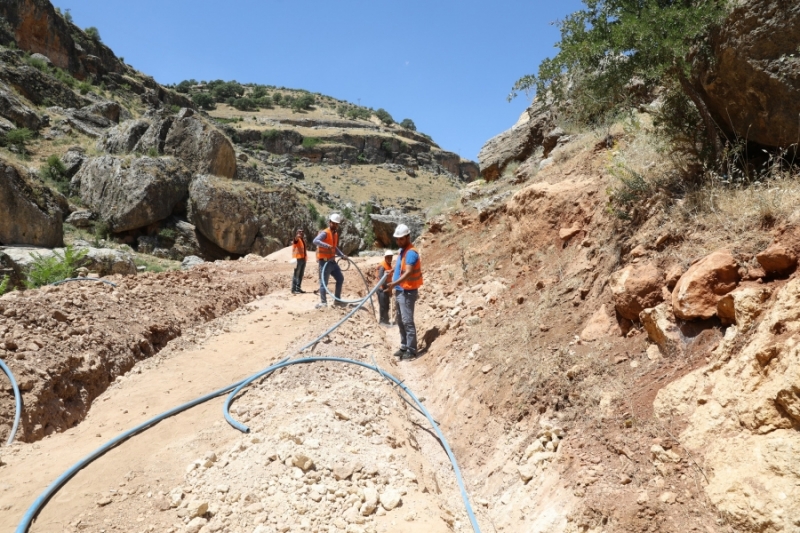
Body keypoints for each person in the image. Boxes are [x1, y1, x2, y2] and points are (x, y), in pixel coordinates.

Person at [385, 224, 422, 359]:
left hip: (407, 291)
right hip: (401, 290)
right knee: (400, 320)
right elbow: (401, 267)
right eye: (397, 239)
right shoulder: (403, 251)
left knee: (407, 321)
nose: (398, 241)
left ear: (408, 237)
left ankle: (411, 350)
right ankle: (404, 346)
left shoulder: (411, 252)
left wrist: (394, 283)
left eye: (401, 239)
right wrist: (392, 271)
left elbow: (409, 272)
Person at [313, 213, 347, 308]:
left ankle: (337, 300)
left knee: (340, 278)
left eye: (337, 224)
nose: (335, 225)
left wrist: (342, 255)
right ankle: (324, 303)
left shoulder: (335, 234)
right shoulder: (325, 233)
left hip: (332, 262)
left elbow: (334, 248)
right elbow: (315, 241)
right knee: (324, 282)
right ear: (330, 222)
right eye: (334, 223)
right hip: (324, 262)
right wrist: (326, 245)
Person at [376, 250, 393, 325]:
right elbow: (381, 278)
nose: (389, 259)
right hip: (381, 289)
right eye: (388, 257)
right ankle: (382, 321)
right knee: (383, 306)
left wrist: (390, 290)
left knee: (387, 305)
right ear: (385, 257)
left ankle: (386, 320)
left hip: (386, 289)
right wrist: (388, 288)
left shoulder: (389, 265)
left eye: (390, 257)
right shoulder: (382, 266)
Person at [290, 228, 307, 294]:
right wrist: (297, 236)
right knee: (296, 274)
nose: (301, 233)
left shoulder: (303, 240)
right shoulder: (296, 240)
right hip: (298, 259)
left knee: (300, 275)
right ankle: (294, 289)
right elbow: (296, 238)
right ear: (297, 232)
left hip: (303, 259)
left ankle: (298, 288)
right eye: (300, 232)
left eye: (302, 231)